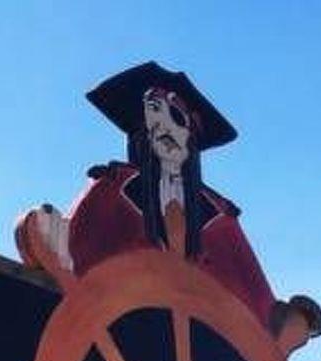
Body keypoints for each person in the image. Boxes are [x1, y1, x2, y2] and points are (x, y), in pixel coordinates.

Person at [27, 63, 300, 334]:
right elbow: (73, 248)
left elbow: (255, 294)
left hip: (203, 340)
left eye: (174, 117)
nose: (163, 129)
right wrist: (48, 240)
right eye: (153, 120)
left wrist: (283, 322)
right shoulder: (112, 188)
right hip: (122, 324)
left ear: (192, 131)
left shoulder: (220, 216)